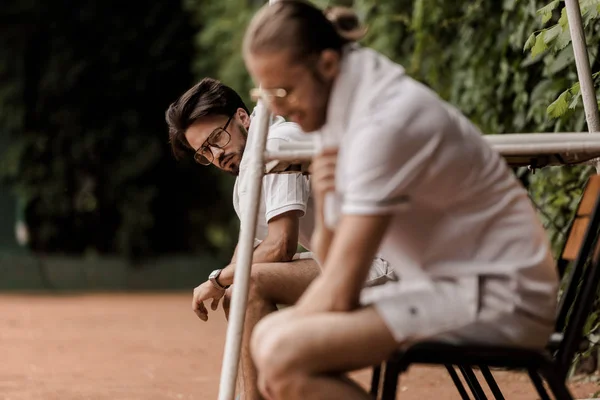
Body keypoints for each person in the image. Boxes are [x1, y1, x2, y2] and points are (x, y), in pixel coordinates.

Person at [241, 2, 560, 399]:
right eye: (264, 93)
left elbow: (341, 292)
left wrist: (280, 345)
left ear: (325, 64)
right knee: (271, 339)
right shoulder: (335, 105)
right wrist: (325, 201)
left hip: (502, 298)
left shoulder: (383, 123)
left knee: (281, 352)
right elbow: (332, 261)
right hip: (450, 287)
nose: (276, 109)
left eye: (282, 91)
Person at [164, 77, 396, 400]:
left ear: (243, 118)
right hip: (347, 262)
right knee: (240, 290)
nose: (216, 155)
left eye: (217, 137)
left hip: (386, 265)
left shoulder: (278, 141)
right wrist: (225, 280)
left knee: (250, 283)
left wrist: (218, 279)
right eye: (204, 152)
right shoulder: (251, 165)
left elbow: (281, 246)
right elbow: (252, 248)